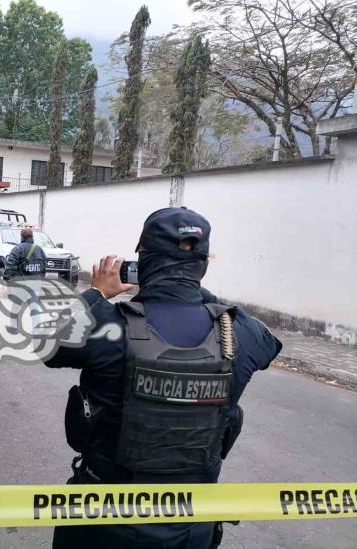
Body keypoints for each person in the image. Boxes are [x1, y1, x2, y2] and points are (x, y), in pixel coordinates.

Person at [44, 207, 282, 549]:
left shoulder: (107, 326)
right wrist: (194, 292)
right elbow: (269, 345)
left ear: (143, 260)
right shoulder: (238, 330)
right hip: (192, 525)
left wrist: (96, 293)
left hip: (102, 522)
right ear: (203, 263)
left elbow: (50, 345)